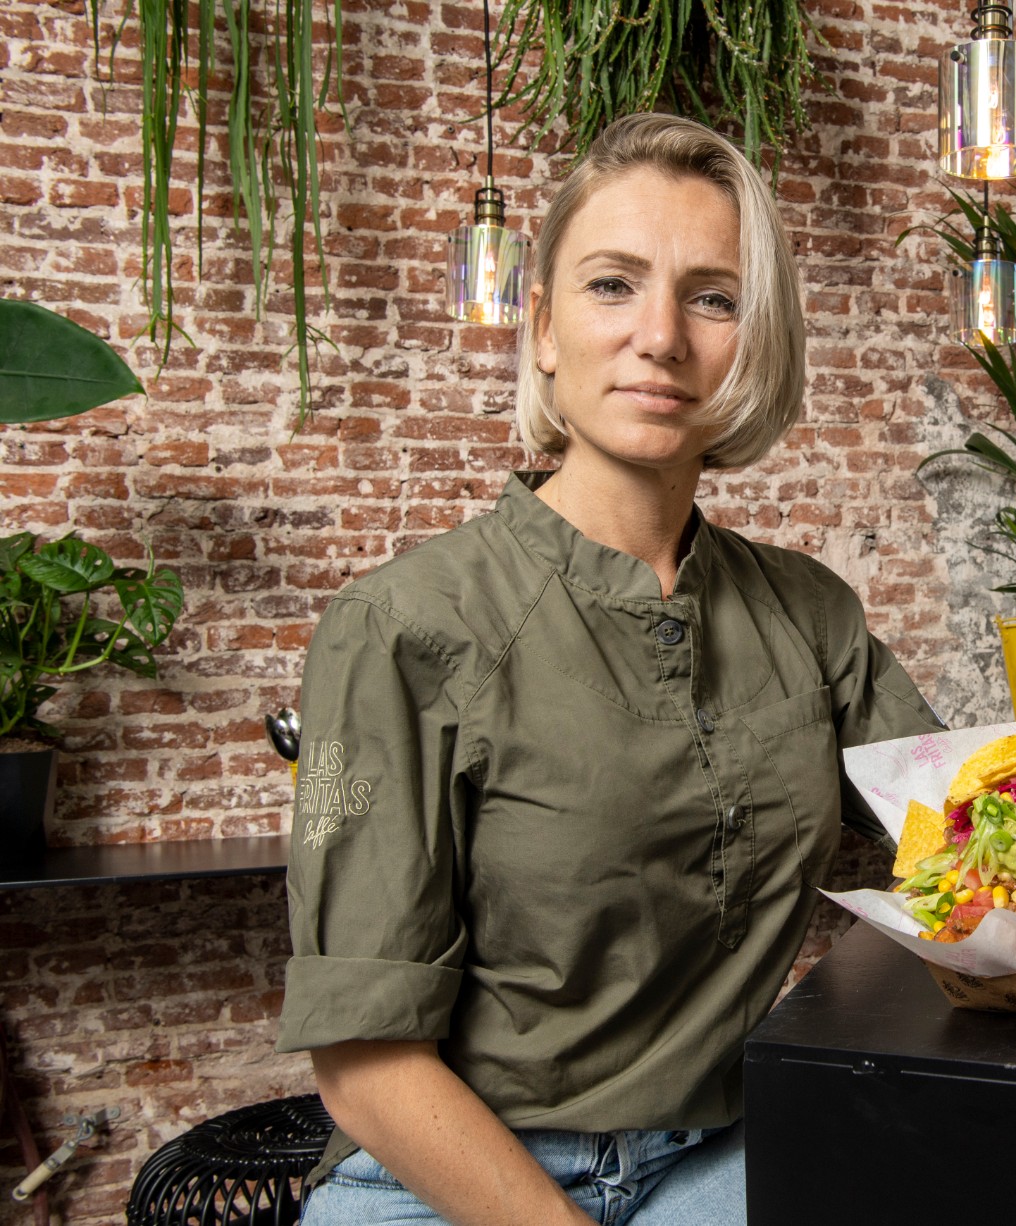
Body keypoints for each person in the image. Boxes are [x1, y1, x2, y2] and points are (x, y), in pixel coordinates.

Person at [276, 113, 945, 1225]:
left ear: (752, 338)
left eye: (714, 296)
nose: (662, 336)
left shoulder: (813, 612)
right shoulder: (398, 624)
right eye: (611, 285)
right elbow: (363, 1059)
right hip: (450, 1177)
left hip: (729, 1150)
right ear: (541, 328)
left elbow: (955, 849)